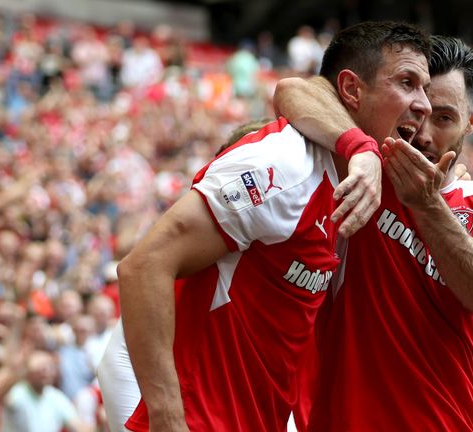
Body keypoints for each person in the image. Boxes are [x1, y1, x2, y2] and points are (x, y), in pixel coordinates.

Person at [98, 21, 431, 431]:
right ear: (351, 90)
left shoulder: (348, 183)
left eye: (425, 90)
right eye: (407, 82)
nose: (424, 105)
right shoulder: (285, 165)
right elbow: (143, 268)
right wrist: (167, 419)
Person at [274, 35, 473, 430]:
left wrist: (426, 205)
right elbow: (294, 90)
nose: (423, 132)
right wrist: (359, 149)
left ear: (472, 122)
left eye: (444, 118)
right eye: (418, 110)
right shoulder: (370, 167)